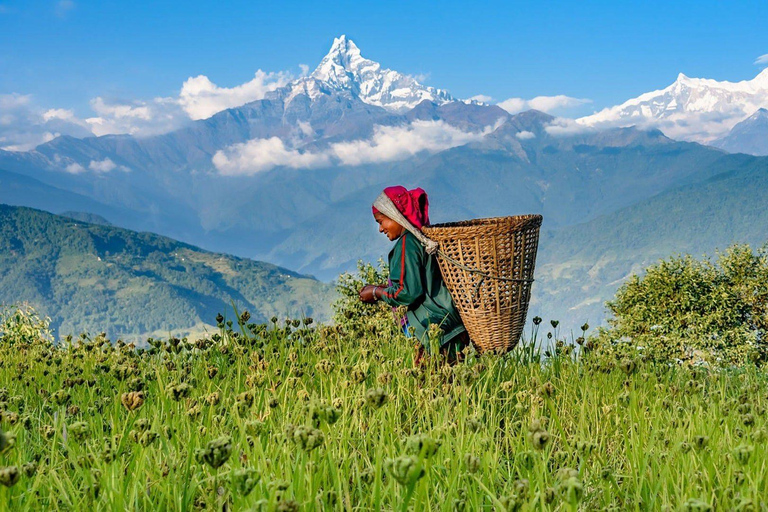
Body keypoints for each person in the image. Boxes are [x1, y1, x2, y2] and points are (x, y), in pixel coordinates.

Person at [358, 186, 469, 365]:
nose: (380, 229)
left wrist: (375, 292)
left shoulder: (407, 245)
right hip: (450, 326)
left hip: (431, 330)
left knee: (429, 387)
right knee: (453, 387)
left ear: (395, 215)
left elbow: (407, 293)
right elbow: (420, 284)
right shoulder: (421, 240)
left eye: (381, 221)